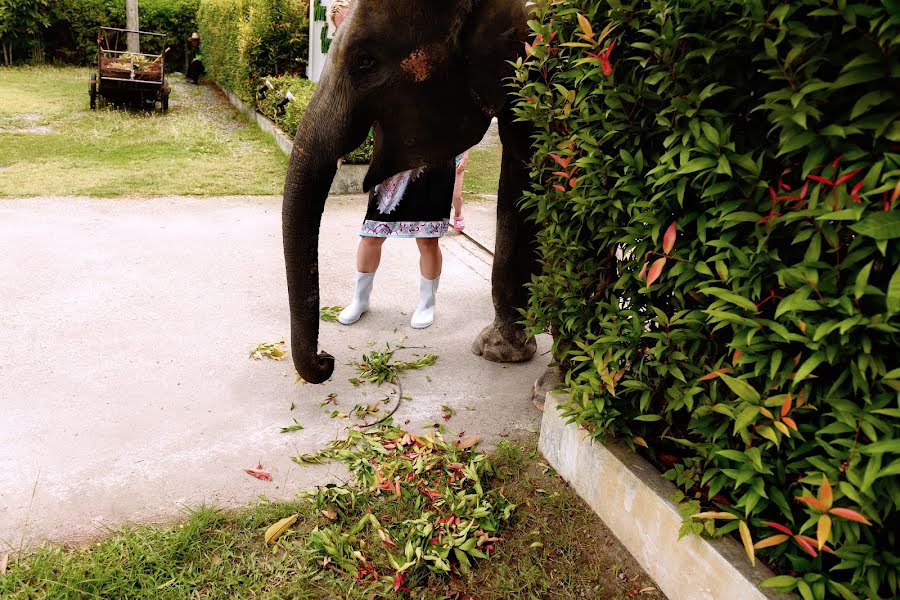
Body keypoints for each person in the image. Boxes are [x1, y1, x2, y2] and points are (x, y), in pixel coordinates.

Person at [331, 0, 455, 330]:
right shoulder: (360, 66)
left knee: (428, 238)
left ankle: (427, 303)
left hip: (432, 157)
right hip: (391, 160)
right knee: (371, 233)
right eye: (338, 29)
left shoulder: (421, 47)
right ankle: (360, 300)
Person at [451, 149, 470, 231]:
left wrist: (465, 157)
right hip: (438, 158)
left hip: (457, 159)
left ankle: (458, 215)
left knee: (456, 196)